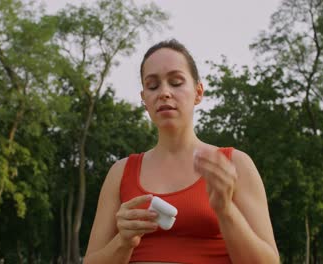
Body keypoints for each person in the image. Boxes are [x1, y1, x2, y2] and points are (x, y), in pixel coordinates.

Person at [83, 39, 279, 264]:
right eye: (153, 86)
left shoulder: (235, 165)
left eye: (176, 82)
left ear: (198, 92)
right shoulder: (120, 172)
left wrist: (226, 212)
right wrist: (123, 241)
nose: (164, 92)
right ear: (144, 100)